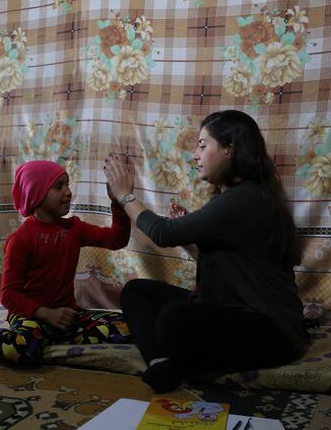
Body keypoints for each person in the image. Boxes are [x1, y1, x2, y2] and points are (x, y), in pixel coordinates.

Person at [104, 110, 307, 393]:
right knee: (136, 291)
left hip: (274, 332)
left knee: (175, 319)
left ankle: (180, 362)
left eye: (202, 145)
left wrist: (124, 195)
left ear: (229, 150)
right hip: (236, 312)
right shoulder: (239, 197)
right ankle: (162, 362)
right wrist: (192, 244)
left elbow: (163, 233)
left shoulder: (246, 198)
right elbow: (230, 266)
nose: (195, 155)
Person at [0, 160, 132, 363]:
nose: (68, 192)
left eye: (67, 185)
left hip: (66, 315)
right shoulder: (20, 239)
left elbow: (116, 239)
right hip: (30, 317)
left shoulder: (74, 229)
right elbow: (8, 295)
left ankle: (57, 336)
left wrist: (118, 203)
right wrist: (45, 314)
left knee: (129, 326)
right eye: (58, 186)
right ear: (36, 194)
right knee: (23, 348)